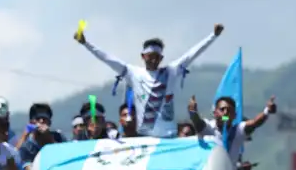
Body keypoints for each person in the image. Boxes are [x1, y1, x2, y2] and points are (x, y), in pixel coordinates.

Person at [75, 25, 224, 138]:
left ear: (161, 58)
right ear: (143, 56)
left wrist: (213, 35)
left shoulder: (170, 71)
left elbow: (192, 54)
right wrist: (86, 44)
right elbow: (108, 59)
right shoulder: (134, 73)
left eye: (156, 57)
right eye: (150, 56)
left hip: (169, 137)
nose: (153, 60)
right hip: (144, 138)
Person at [188, 95, 277, 166]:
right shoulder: (208, 127)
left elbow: (255, 123)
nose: (225, 113)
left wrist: (267, 111)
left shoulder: (238, 131)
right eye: (222, 109)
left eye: (229, 110)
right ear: (215, 113)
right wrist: (193, 113)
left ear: (234, 116)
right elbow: (197, 122)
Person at [16, 102, 65, 170]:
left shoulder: (59, 137)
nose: (41, 121)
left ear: (49, 122)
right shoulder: (27, 147)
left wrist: (48, 137)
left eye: (44, 118)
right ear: (31, 122)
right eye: (38, 118)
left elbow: (65, 155)